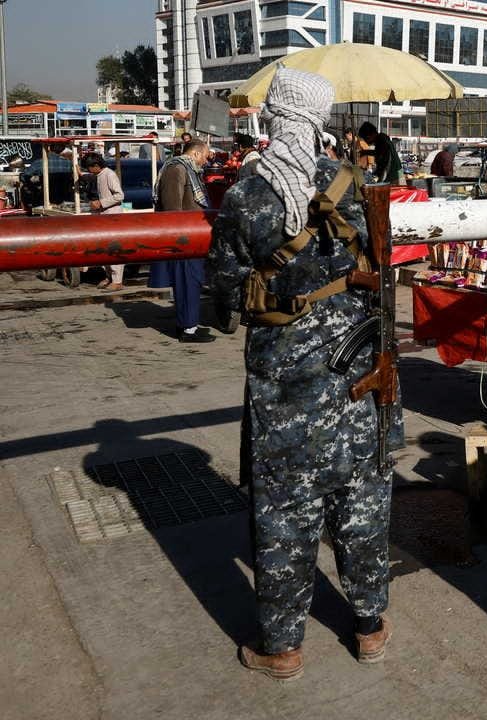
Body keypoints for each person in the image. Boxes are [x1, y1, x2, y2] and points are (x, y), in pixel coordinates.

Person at [206, 67, 399, 682]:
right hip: (357, 369)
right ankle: (369, 627)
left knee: (284, 510)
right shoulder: (354, 183)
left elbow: (223, 295)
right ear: (318, 118)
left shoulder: (247, 193)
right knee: (362, 497)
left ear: (274, 115)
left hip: (285, 383)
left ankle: (283, 647)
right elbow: (383, 270)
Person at [150, 140, 215, 343]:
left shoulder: (189, 170)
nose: (206, 161)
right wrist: (180, 237)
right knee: (187, 283)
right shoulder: (177, 169)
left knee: (192, 283)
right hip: (184, 240)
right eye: (205, 156)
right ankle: (188, 329)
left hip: (193, 238)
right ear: (195, 154)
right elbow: (172, 210)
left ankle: (188, 325)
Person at [83, 153, 127, 291]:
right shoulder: (99, 175)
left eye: (89, 168)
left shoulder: (109, 175)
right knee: (105, 248)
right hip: (104, 216)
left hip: (113, 216)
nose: (89, 171)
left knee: (114, 248)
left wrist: (101, 203)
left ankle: (117, 281)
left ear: (96, 166)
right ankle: (109, 276)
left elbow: (120, 195)